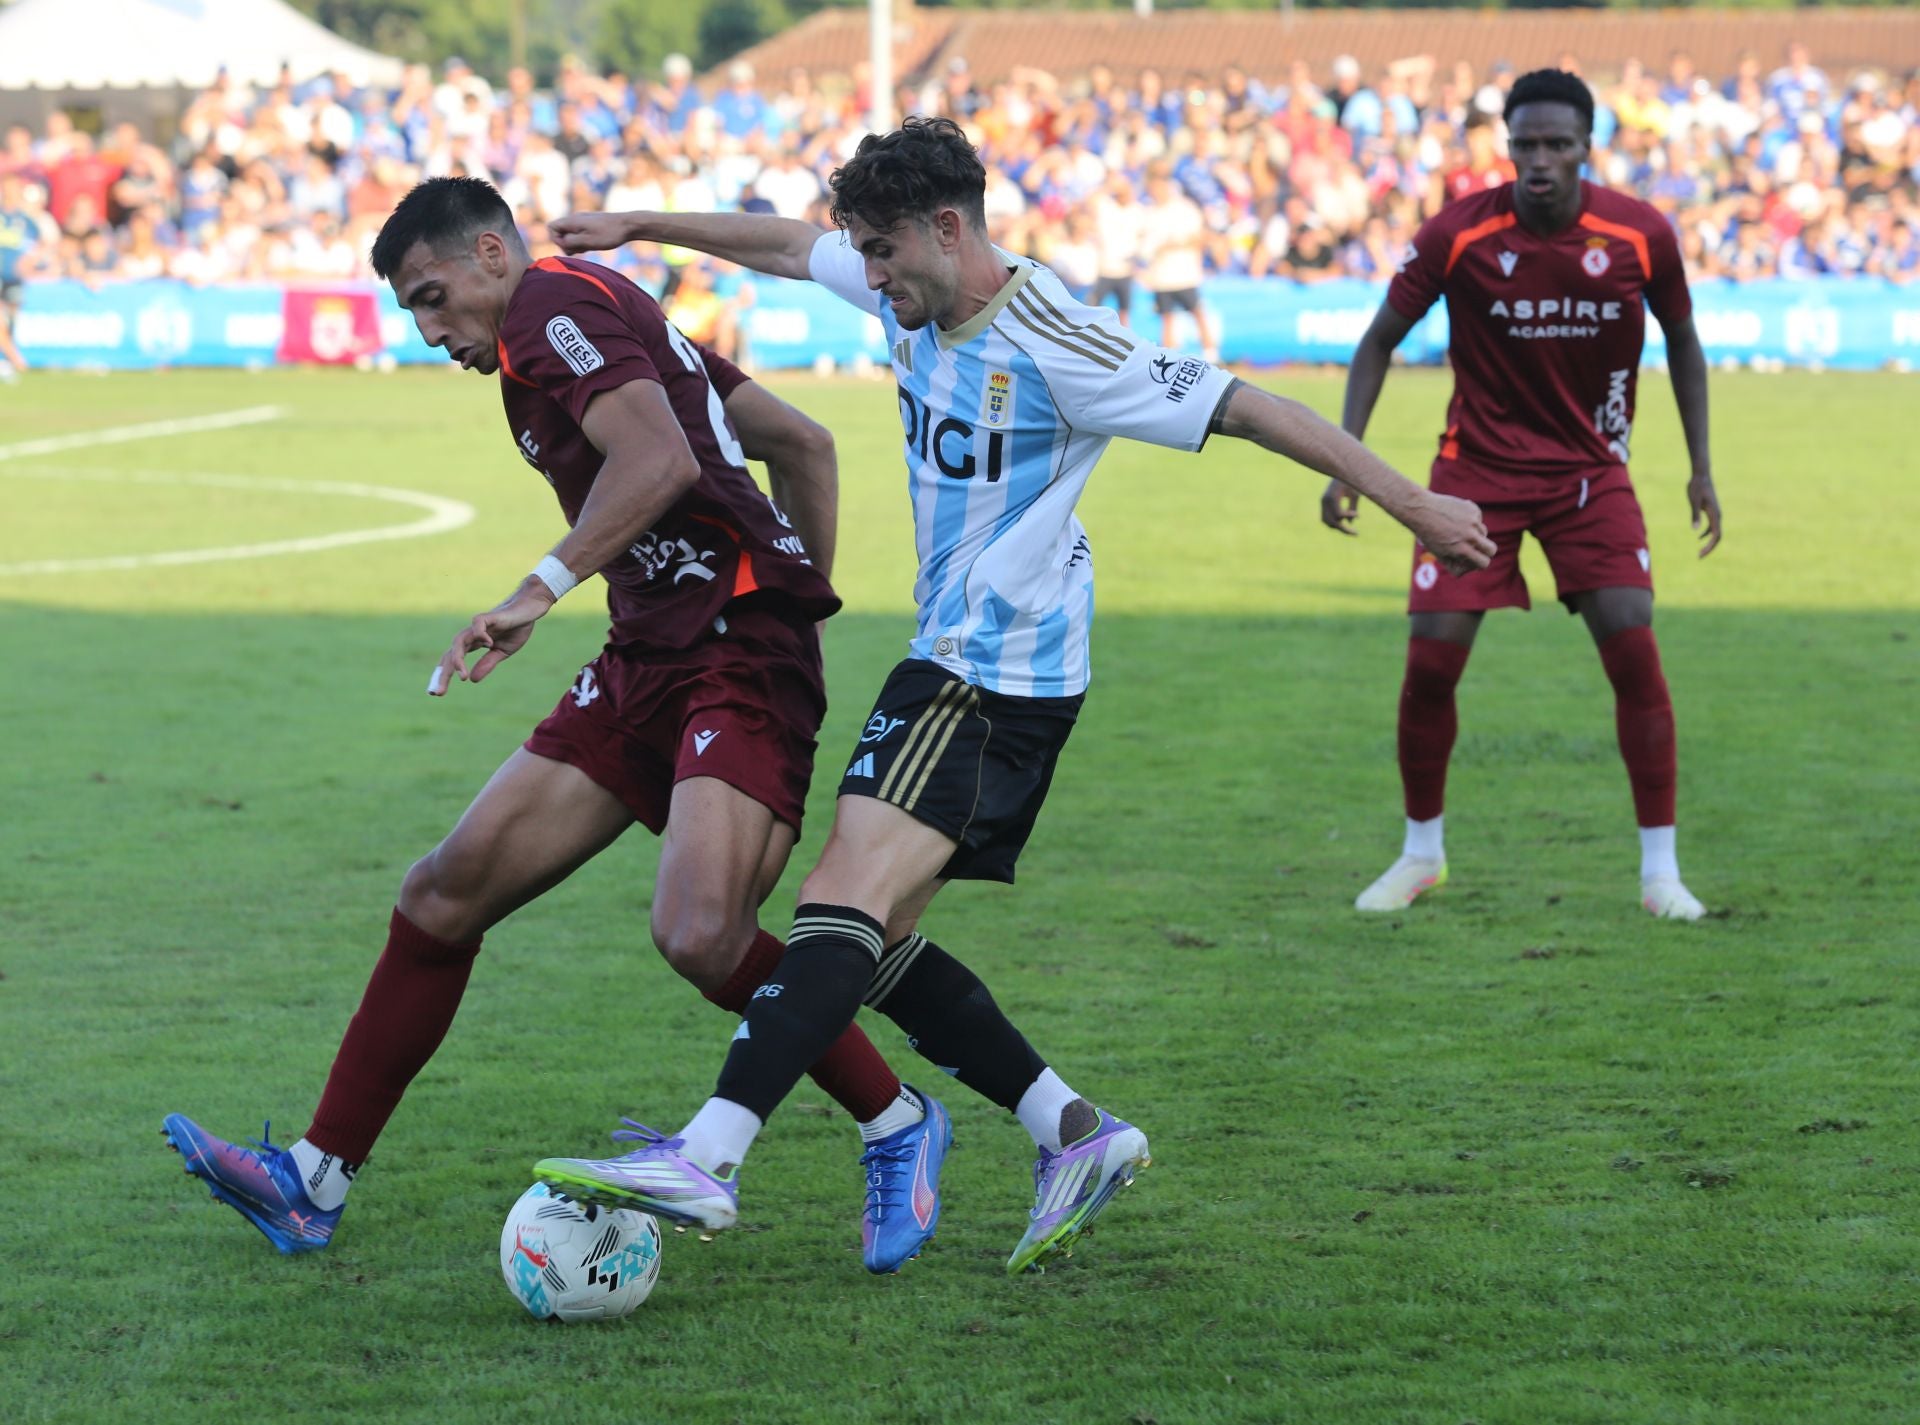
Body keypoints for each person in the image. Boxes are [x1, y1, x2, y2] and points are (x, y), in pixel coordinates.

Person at [535, 117, 1493, 1273]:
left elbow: (1252, 409)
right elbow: (790, 247)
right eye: (866, 254)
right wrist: (644, 223)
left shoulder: (1061, 340)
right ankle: (1072, 1131)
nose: (871, 277)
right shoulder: (914, 288)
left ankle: (709, 1154)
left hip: (995, 667)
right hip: (961, 652)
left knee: (839, 899)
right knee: (869, 936)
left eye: (885, 253)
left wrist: (1417, 507)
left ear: (950, 229)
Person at [161, 177, 950, 1278]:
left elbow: (663, 462)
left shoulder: (547, 307)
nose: (431, 331)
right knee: (442, 895)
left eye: (434, 297)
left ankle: (897, 1119)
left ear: (492, 253)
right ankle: (312, 1179)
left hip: (732, 654)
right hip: (648, 656)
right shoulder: (584, 324)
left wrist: (566, 588)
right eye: (412, 313)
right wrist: (804, 581)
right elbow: (800, 443)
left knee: (701, 933)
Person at [1320, 69, 1723, 920]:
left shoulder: (1639, 232)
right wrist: (1346, 461)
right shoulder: (1458, 232)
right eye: (1525, 144)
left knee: (1634, 651)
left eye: (1557, 144)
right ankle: (1420, 854)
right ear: (1508, 147)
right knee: (1430, 662)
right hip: (1477, 478)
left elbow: (1684, 340)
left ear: (1587, 148)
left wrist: (1700, 466)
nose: (1540, 160)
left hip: (1591, 478)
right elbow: (1376, 342)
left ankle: (1661, 876)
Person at [0, 174, 35, 382]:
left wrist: (29, 260)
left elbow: (37, 244)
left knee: (12, 317)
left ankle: (7, 357)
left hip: (14, 277)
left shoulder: (25, 220)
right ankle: (15, 359)